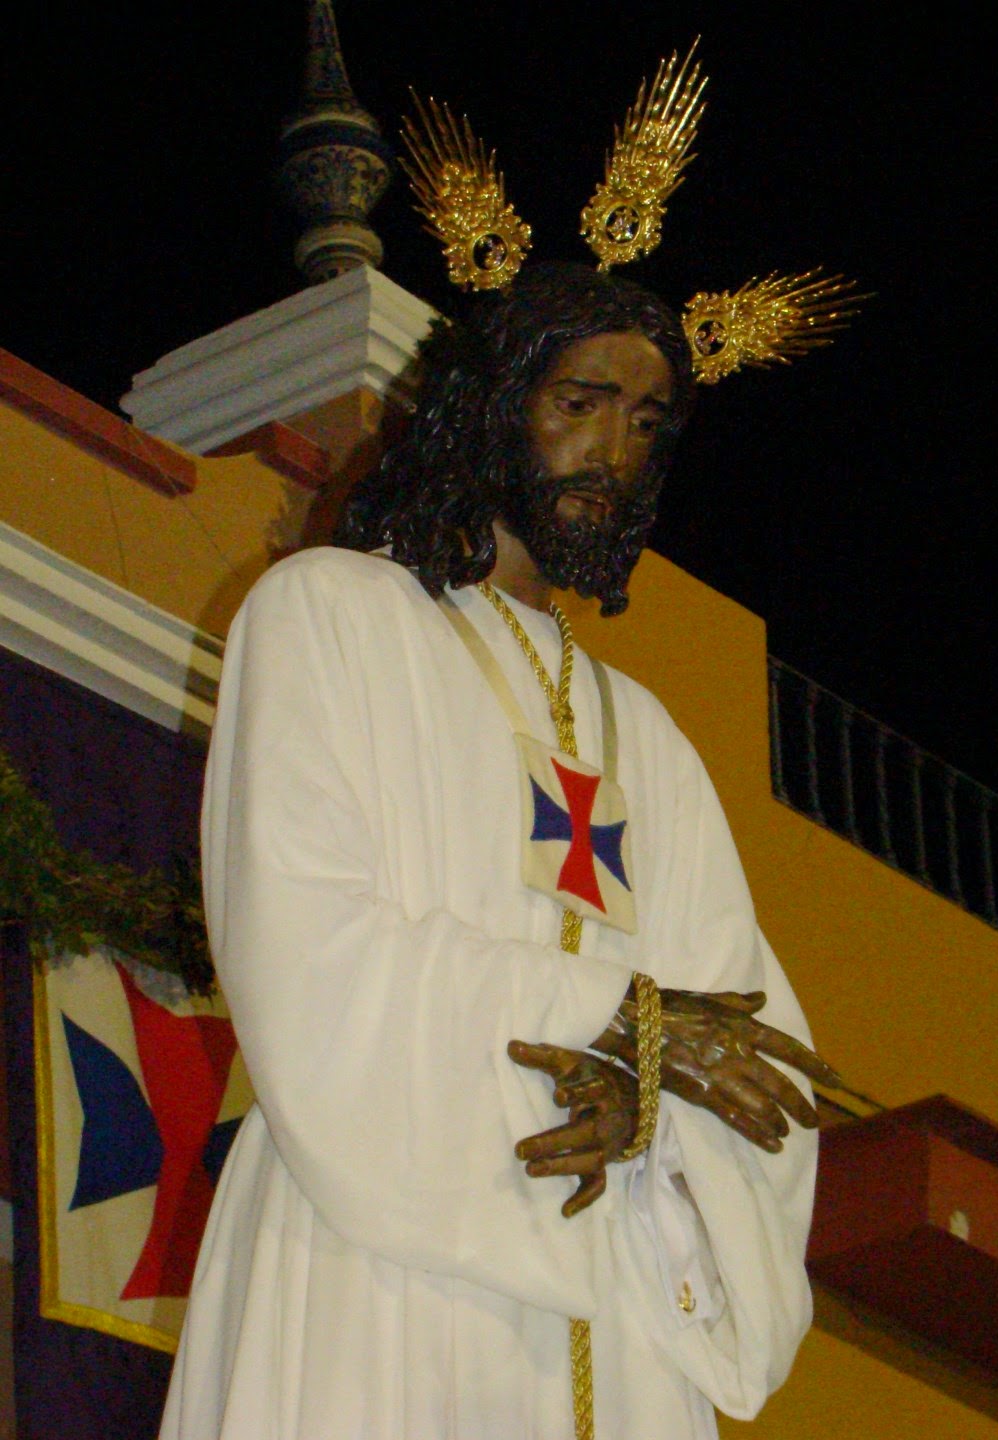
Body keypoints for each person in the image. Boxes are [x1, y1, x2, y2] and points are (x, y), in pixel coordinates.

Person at [160, 263, 835, 1440]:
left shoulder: (652, 745)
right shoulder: (329, 617)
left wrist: (645, 1111)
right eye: (580, 402)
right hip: (376, 1254)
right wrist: (612, 1016)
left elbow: (744, 1045)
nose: (611, 452)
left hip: (608, 1279)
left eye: (646, 423)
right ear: (492, 404)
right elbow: (304, 945)